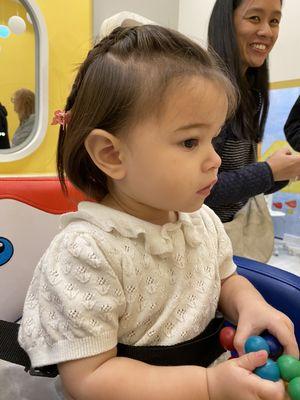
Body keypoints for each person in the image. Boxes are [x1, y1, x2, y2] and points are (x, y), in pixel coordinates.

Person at [18, 24, 298, 400]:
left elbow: (225, 280)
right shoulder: (86, 253)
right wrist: (208, 386)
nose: (215, 159)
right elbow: (89, 378)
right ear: (111, 154)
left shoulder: (201, 223)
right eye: (189, 141)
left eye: (213, 138)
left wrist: (250, 304)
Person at [205, 0, 300, 262]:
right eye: (255, 18)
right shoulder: (209, 90)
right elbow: (197, 189)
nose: (267, 32)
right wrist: (269, 171)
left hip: (228, 242)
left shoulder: (251, 93)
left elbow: (238, 182)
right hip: (202, 245)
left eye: (274, 21)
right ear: (227, 21)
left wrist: (283, 172)